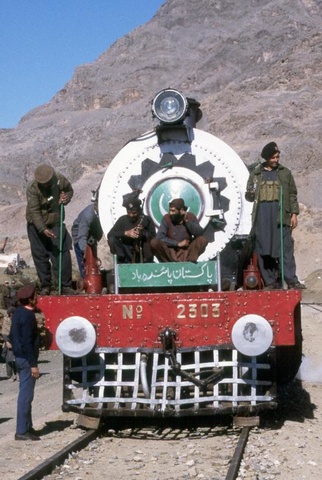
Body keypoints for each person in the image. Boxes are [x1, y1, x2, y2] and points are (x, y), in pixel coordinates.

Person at [245, 141, 305, 290]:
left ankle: (292, 281)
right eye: (273, 158)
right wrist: (250, 193)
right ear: (266, 158)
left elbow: (292, 194)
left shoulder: (285, 173)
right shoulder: (256, 174)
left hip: (280, 214)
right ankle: (270, 282)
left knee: (285, 248)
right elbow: (249, 195)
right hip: (262, 215)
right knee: (264, 248)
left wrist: (294, 213)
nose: (276, 160)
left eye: (277, 157)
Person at [26, 164, 75, 295]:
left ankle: (65, 286)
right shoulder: (32, 189)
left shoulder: (59, 179)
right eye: (44, 184)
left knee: (61, 253)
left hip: (56, 223)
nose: (47, 185)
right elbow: (34, 211)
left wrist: (66, 197)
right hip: (36, 227)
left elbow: (69, 190)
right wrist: (42, 229)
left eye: (48, 183)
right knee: (40, 255)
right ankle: (46, 286)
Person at [9, 284, 40, 441]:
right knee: (26, 396)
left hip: (19, 357)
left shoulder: (18, 313)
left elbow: (12, 336)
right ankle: (22, 430)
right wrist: (33, 364)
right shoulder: (28, 316)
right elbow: (27, 342)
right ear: (31, 298)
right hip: (27, 359)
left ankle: (28, 426)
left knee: (27, 395)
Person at [150, 198, 208, 262]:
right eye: (170, 211)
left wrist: (187, 221)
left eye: (173, 211)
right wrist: (177, 244)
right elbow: (160, 237)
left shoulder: (190, 216)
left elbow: (199, 233)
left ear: (181, 211)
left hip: (187, 251)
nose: (170, 213)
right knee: (154, 242)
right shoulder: (167, 218)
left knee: (202, 240)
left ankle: (190, 263)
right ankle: (169, 263)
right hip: (171, 252)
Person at [107, 197, 156, 263]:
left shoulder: (146, 219)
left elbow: (153, 237)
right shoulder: (122, 220)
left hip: (142, 251)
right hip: (126, 251)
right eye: (129, 212)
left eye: (134, 213)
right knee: (112, 240)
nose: (131, 215)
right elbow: (110, 234)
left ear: (139, 210)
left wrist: (143, 233)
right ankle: (122, 261)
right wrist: (126, 233)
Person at [71, 198, 103, 278]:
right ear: (96, 205)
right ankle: (85, 279)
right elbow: (82, 235)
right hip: (79, 233)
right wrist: (84, 250)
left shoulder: (100, 213)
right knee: (84, 261)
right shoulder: (88, 215)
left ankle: (94, 277)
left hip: (91, 234)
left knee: (93, 260)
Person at [1, 306, 17, 381]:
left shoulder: (18, 319)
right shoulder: (6, 320)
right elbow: (4, 332)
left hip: (17, 340)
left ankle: (17, 373)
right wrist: (7, 341)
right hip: (9, 341)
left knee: (18, 358)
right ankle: (9, 375)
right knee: (9, 358)